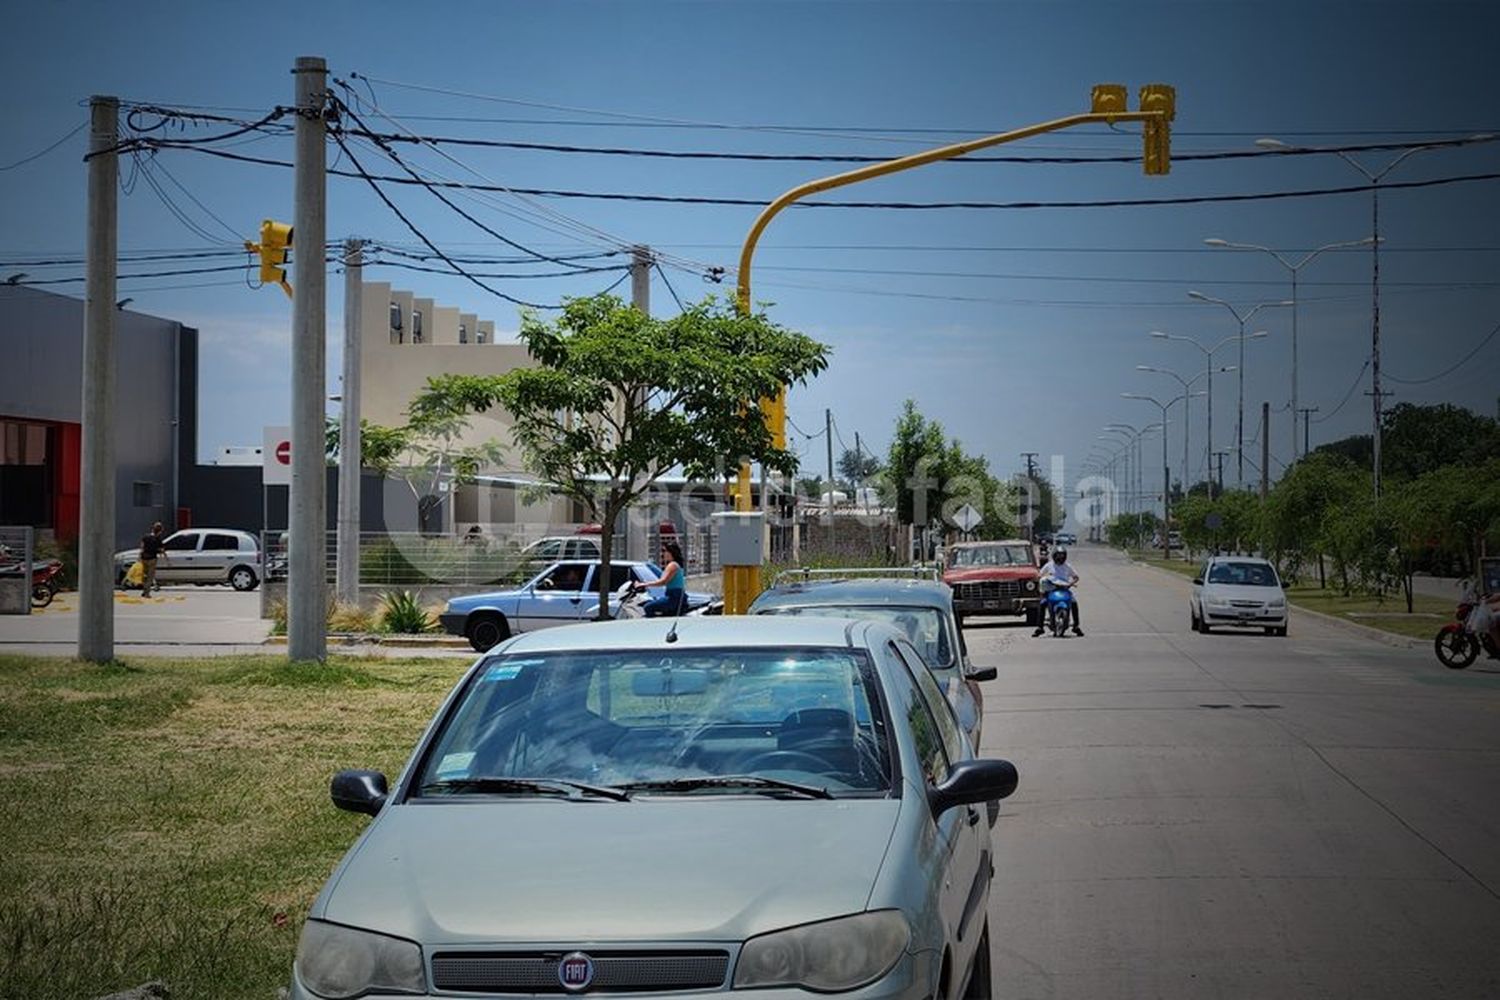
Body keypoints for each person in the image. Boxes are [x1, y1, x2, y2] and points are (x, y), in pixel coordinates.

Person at [1033, 546, 1082, 637]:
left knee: (1074, 603)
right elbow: (1040, 574)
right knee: (1042, 604)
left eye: (1062, 555)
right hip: (1051, 589)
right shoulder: (1049, 565)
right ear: (1054, 555)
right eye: (1058, 555)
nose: (1060, 557)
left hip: (1064, 589)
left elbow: (1076, 577)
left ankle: (1076, 626)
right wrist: (1044, 580)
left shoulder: (1068, 566)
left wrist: (1071, 583)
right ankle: (1040, 627)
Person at [636, 541, 688, 617]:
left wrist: (643, 584)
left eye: (664, 551)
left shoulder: (672, 565)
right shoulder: (676, 565)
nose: (663, 554)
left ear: (671, 552)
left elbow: (663, 581)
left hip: (674, 597)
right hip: (675, 596)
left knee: (648, 607)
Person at [139, 521, 166, 598]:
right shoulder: (158, 539)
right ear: (160, 531)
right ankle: (147, 592)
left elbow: (142, 547)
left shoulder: (145, 537)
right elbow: (162, 550)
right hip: (152, 559)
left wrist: (140, 556)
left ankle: (144, 590)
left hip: (144, 557)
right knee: (150, 576)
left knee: (144, 575)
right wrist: (166, 559)